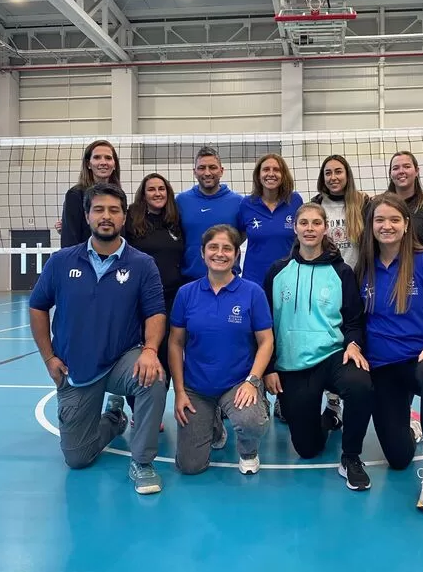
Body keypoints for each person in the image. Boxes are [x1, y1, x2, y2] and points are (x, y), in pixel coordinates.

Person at [29, 183, 167, 494]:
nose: (106, 216)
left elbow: (155, 312)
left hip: (122, 359)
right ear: (87, 216)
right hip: (76, 367)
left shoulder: (142, 263)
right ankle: (114, 420)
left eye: (114, 210)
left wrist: (150, 350)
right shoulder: (61, 261)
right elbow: (37, 306)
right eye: (99, 210)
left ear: (124, 217)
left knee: (154, 377)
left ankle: (142, 462)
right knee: (77, 458)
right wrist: (48, 357)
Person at [355, 192, 423, 513]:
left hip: (419, 358)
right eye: (379, 220)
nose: (387, 226)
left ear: (406, 224)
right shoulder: (364, 268)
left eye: (394, 219)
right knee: (398, 459)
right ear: (371, 225)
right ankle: (412, 426)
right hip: (383, 367)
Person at [263, 203, 373, 492]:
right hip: (292, 363)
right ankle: (327, 421)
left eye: (316, 223)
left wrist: (353, 345)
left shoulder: (341, 271)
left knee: (360, 384)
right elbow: (264, 325)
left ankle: (351, 457)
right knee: (307, 449)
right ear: (295, 228)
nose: (310, 229)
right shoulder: (277, 271)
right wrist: (269, 367)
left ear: (325, 229)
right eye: (304, 223)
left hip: (332, 355)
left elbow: (354, 319)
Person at [170, 225, 273, 475]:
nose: (220, 253)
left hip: (237, 383)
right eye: (213, 247)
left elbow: (266, 341)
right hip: (197, 387)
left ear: (236, 254)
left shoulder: (252, 292)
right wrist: (179, 392)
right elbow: (175, 343)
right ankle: (214, 426)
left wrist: (252, 381)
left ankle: (248, 451)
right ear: (202, 253)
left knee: (251, 421)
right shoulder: (186, 294)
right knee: (190, 467)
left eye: (227, 248)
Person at [311, 154, 370, 427]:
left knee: (359, 338)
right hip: (327, 284)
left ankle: (373, 397)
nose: (333, 177)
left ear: (347, 175)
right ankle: (333, 403)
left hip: (358, 283)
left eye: (338, 171)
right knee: (330, 341)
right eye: (328, 173)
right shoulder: (316, 205)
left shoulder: (363, 203)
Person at [125, 173, 184, 429]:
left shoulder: (175, 222)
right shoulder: (131, 220)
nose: (157, 193)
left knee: (166, 354)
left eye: (162, 189)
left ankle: (155, 409)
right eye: (151, 189)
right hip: (138, 299)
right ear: (143, 193)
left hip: (171, 297)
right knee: (139, 353)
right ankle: (137, 409)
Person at [176, 146, 243, 282]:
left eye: (212, 167)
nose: (207, 173)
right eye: (202, 168)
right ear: (194, 172)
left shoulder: (238, 202)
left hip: (228, 279)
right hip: (190, 279)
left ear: (221, 171)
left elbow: (242, 235)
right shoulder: (181, 201)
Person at [238, 153, 303, 287]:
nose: (271, 174)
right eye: (266, 169)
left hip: (287, 278)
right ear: (258, 175)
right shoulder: (247, 204)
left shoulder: (295, 201)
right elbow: (238, 237)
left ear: (283, 175)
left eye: (276, 170)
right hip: (254, 280)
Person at [60, 140, 121, 248]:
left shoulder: (118, 195)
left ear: (114, 164)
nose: (103, 162)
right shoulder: (75, 195)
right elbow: (70, 239)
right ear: (88, 164)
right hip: (84, 257)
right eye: (97, 157)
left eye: (108, 158)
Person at [388, 151, 423, 256]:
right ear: (390, 174)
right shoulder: (380, 206)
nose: (401, 171)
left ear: (417, 171)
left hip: (420, 265)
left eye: (407, 166)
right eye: (395, 168)